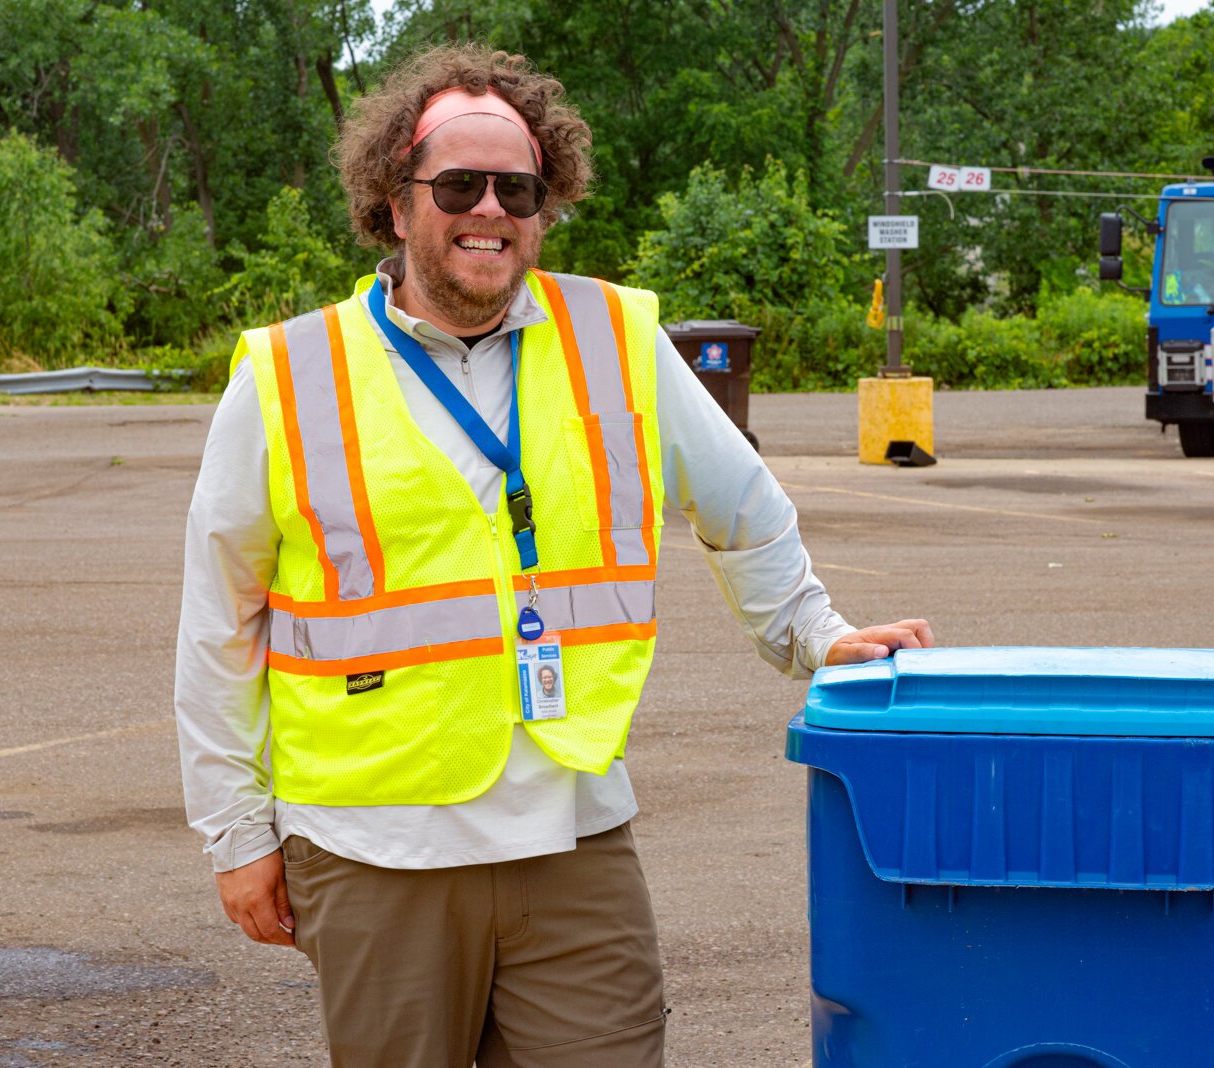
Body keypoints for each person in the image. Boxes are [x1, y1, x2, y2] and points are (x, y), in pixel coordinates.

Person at [174, 42, 934, 1067]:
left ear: (545, 205)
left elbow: (746, 509)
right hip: (372, 847)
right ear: (395, 205)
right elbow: (219, 622)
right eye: (459, 185)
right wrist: (236, 835)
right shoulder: (286, 374)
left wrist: (815, 635)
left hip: (573, 837)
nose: (490, 209)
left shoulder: (616, 334)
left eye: (518, 189)